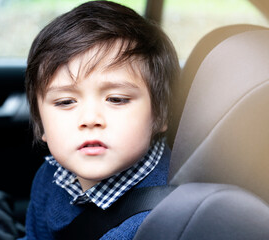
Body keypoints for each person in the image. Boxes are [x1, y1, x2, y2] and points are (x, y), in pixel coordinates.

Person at [20, 1, 179, 239]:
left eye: (116, 99)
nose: (90, 119)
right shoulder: (50, 175)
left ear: (160, 115)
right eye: (65, 102)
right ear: (42, 124)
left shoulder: (154, 220)